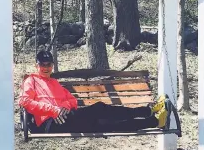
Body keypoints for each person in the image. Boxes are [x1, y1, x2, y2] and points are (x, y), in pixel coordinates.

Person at [19, 50, 169, 134]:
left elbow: (71, 100)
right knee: (99, 108)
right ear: (36, 65)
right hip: (50, 123)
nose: (46, 68)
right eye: (42, 65)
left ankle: (155, 121)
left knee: (107, 124)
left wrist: (64, 106)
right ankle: (146, 111)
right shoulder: (31, 81)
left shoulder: (54, 83)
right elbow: (24, 101)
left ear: (52, 65)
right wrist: (53, 110)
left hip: (67, 118)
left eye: (49, 64)